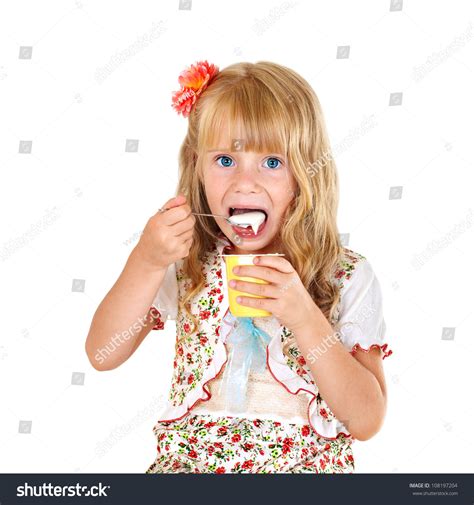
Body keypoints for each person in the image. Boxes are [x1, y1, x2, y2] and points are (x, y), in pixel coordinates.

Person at [85, 60, 393, 474]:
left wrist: (305, 318)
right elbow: (104, 353)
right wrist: (145, 261)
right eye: (225, 160)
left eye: (271, 163)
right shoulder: (186, 263)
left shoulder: (342, 274)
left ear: (305, 172)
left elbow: (366, 420)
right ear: (197, 164)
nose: (244, 183)